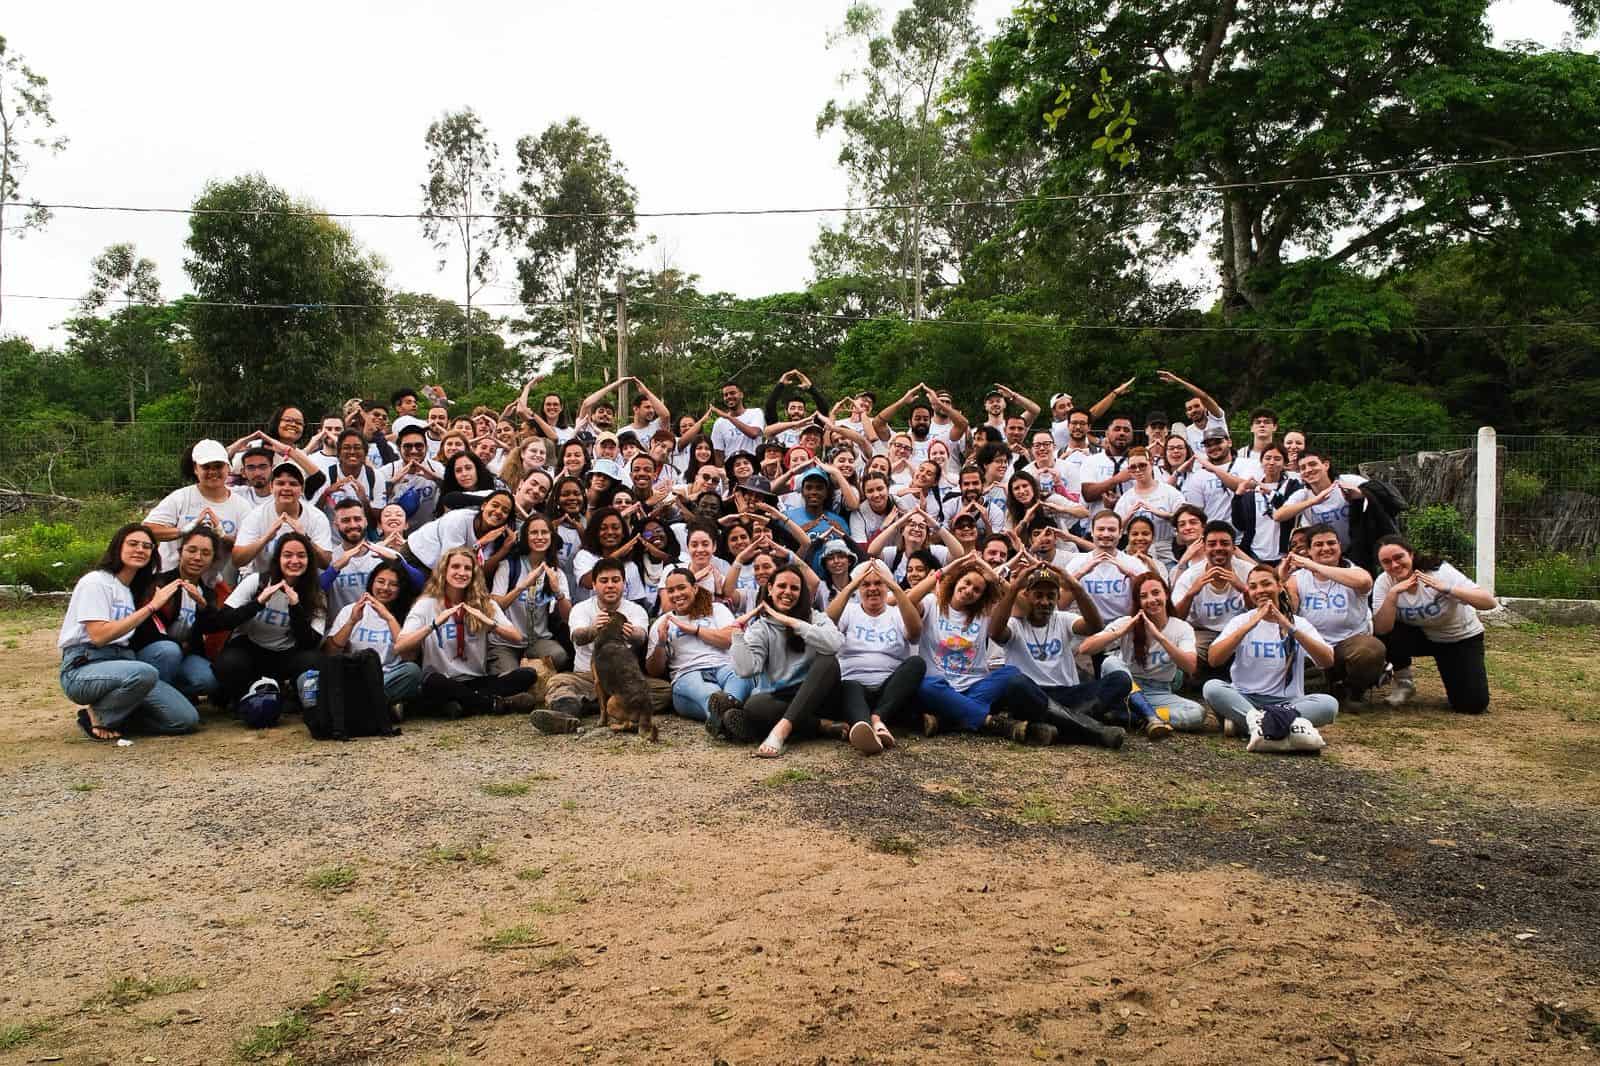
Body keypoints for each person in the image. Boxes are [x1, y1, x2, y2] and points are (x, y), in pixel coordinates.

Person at [58, 524, 200, 740]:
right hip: (85, 666)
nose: (140, 550)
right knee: (144, 672)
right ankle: (98, 715)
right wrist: (152, 606)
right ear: (117, 547)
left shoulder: (130, 588)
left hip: (124, 660)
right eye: (132, 544)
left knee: (185, 719)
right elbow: (99, 636)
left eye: (147, 546)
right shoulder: (96, 582)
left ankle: (121, 716)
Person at [906, 554, 1057, 743]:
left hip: (975, 686)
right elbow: (909, 600)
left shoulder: (985, 612)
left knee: (1010, 673)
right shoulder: (931, 604)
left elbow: (1025, 609)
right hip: (940, 686)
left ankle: (948, 719)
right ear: (955, 581)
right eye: (966, 582)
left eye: (977, 590)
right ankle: (994, 723)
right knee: (924, 686)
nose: (969, 590)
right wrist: (945, 570)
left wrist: (996, 579)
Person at [988, 562, 1130, 746]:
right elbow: (995, 633)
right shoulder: (1015, 624)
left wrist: (1076, 587)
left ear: (1057, 598)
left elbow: (1094, 626)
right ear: (1026, 596)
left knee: (1121, 679)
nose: (1045, 602)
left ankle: (1059, 725)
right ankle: (1095, 730)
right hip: (1034, 694)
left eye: (1051, 596)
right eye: (1038, 595)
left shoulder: (1062, 619)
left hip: (1068, 693)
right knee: (1015, 683)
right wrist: (1014, 587)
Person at [532, 557, 672, 734]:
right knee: (558, 682)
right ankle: (565, 716)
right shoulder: (581, 609)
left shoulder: (636, 610)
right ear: (594, 585)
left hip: (623, 681)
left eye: (616, 580)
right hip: (586, 676)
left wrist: (631, 633)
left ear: (624, 583)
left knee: (665, 690)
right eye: (604, 581)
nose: (610, 585)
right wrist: (594, 629)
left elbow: (641, 637)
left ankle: (591, 705)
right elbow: (577, 637)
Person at [395, 547, 539, 717]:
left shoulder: (484, 604)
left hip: (476, 680)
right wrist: (433, 625)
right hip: (443, 680)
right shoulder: (426, 604)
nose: (461, 572)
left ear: (474, 574)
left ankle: (460, 704)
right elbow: (400, 646)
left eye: (467, 568)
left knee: (527, 675)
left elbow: (516, 637)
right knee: (433, 682)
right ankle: (492, 704)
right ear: (444, 571)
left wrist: (491, 624)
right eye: (455, 567)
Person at [1202, 564, 1340, 737]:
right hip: (1245, 698)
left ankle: (1251, 724)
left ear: (1279, 586)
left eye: (1266, 584)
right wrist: (1251, 624)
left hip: (1287, 703)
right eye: (1253, 587)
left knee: (1329, 704)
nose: (1260, 590)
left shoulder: (1299, 623)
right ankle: (1278, 726)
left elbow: (1327, 660)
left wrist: (1290, 628)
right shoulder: (1240, 621)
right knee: (1212, 687)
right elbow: (1214, 659)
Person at [725, 563, 847, 756]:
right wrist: (738, 635)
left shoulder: (815, 617)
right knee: (754, 706)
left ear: (801, 593)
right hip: (782, 698)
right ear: (770, 589)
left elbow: (834, 644)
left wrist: (792, 623)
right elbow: (746, 670)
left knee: (828, 660)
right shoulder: (760, 628)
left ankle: (780, 731)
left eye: (794, 588)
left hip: (819, 695)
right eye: (782, 586)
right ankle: (820, 726)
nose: (787, 592)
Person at [1372, 534, 1497, 713]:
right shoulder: (1384, 582)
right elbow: (1381, 629)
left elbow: (1489, 602)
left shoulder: (1439, 572)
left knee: (1472, 705)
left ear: (1411, 554)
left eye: (1399, 557)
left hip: (1458, 637)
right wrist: (1393, 595)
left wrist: (1448, 589)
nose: (1394, 565)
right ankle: (1404, 683)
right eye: (1386, 562)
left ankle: (1458, 678)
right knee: (1381, 631)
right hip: (1422, 636)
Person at [1083, 571, 1213, 736]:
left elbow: (1189, 666)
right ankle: (1150, 717)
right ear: (1139, 601)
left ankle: (1132, 716)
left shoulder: (1181, 628)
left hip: (1158, 691)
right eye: (1144, 596)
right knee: (1110, 663)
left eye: (1156, 593)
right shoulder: (1126, 622)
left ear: (1166, 594)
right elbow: (1085, 648)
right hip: (1126, 688)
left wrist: (1161, 638)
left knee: (1197, 713)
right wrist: (1118, 634)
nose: (1151, 600)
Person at [211, 533, 328, 710]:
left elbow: (310, 642)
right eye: (287, 555)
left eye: (301, 556)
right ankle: (241, 696)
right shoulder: (256, 581)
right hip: (250, 648)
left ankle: (291, 695)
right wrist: (258, 603)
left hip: (286, 653)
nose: (294, 561)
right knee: (228, 664)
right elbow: (223, 621)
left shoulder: (316, 594)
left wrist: (295, 607)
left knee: (314, 660)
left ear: (309, 560)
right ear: (278, 558)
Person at [1285, 524, 1385, 705]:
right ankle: (1328, 686)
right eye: (1318, 545)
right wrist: (1281, 579)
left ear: (1340, 546)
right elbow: (1289, 609)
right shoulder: (1298, 578)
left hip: (1348, 644)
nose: (1326, 548)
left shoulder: (1353, 571)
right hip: (1313, 647)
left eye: (1331, 543)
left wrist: (1313, 565)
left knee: (1371, 650)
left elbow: (1364, 581)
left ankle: (1354, 690)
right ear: (1308, 550)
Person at [645, 565, 752, 723]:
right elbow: (654, 671)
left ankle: (722, 720)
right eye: (671, 591)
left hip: (726, 667)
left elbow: (730, 639)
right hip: (688, 675)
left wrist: (695, 630)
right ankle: (731, 717)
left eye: (681, 588)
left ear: (694, 588)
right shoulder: (662, 622)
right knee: (710, 693)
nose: (677, 594)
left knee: (740, 677)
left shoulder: (716, 609)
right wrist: (660, 644)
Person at [131, 525, 225, 705]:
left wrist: (203, 606)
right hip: (155, 651)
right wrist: (179, 645)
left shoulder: (207, 592)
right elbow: (145, 629)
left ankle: (173, 692)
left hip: (185, 654)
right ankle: (150, 697)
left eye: (206, 553)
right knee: (169, 651)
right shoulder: (160, 583)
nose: (197, 557)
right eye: (192, 550)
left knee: (208, 680)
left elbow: (212, 625)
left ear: (213, 559)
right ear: (181, 552)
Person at [321, 560, 423, 712]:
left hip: (386, 679)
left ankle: (355, 707)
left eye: (393, 584)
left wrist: (389, 618)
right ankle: (380, 708)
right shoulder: (350, 610)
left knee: (412, 671)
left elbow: (409, 656)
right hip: (352, 677)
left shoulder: (408, 615)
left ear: (401, 588)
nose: (385, 588)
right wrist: (351, 621)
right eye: (380, 581)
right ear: (371, 582)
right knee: (308, 679)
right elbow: (330, 653)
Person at [144, 439, 253, 579]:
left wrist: (223, 536)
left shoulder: (241, 506)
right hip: (167, 578)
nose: (213, 472)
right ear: (196, 469)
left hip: (209, 584)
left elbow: (247, 549)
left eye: (218, 466)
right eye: (206, 467)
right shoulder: (181, 498)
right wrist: (182, 531)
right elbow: (147, 529)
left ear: (228, 467)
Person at [489, 515, 573, 674]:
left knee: (560, 656)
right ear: (525, 537)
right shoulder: (509, 566)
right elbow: (495, 607)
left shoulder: (556, 572)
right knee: (511, 679)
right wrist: (521, 587)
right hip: (506, 642)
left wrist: (558, 592)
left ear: (551, 536)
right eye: (534, 533)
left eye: (544, 532)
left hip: (537, 640)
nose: (540, 537)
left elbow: (568, 616)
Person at [1171, 521, 1256, 673]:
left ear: (1233, 547)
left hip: (1242, 630)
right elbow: (1175, 619)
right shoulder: (1190, 577)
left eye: (1224, 543)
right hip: (1204, 632)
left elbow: (1263, 610)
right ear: (1204, 547)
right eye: (1212, 544)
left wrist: (1244, 590)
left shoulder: (1248, 571)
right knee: (1185, 655)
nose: (1218, 548)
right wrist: (1191, 594)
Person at [232, 461, 335, 575]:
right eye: (280, 483)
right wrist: (266, 538)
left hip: (303, 581)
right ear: (271, 487)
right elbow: (238, 560)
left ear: (302, 489)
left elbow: (325, 562)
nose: (286, 488)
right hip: (265, 581)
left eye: (293, 484)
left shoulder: (316, 517)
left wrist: (305, 538)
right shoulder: (256, 516)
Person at [1065, 511, 1153, 626]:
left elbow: (1151, 597)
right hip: (1089, 628)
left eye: (1111, 530)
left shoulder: (1133, 563)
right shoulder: (1078, 562)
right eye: (1101, 529)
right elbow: (1060, 603)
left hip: (1125, 627)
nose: (1106, 534)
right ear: (1092, 532)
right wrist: (1081, 573)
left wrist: (1130, 574)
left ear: (1120, 533)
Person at [405, 490, 516, 576]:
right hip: (414, 557)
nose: (498, 512)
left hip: (440, 571)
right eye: (495, 505)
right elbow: (451, 560)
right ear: (483, 506)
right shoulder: (458, 519)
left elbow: (481, 572)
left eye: (505, 511)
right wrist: (480, 543)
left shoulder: (496, 535)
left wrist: (504, 549)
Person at [1113, 446, 1186, 564]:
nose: (1138, 470)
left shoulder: (1170, 492)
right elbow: (1114, 529)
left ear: (1151, 462)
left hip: (1165, 553)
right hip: (1135, 554)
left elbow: (1184, 520)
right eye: (1133, 467)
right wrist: (1128, 516)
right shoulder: (1126, 498)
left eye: (1142, 465)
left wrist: (1162, 514)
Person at [1232, 442, 1301, 562]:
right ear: (1261, 461)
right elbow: (1240, 524)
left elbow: (1289, 513)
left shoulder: (1292, 486)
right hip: (1254, 553)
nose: (1271, 462)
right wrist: (1237, 497)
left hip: (1284, 555)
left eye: (1277, 459)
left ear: (1285, 463)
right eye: (1267, 458)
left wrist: (1271, 493)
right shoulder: (1252, 490)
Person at [1158, 369, 1227, 453]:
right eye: (1189, 409)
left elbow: (1204, 397)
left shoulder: (1217, 419)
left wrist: (1177, 381)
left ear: (1205, 407)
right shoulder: (1187, 432)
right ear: (1187, 414)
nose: (1194, 410)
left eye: (1197, 406)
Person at [711, 381, 767, 459]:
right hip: (731, 467)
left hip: (754, 466)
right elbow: (718, 452)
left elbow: (753, 433)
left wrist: (729, 417)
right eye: (725, 395)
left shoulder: (755, 413)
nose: (729, 397)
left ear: (741, 395)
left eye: (732, 393)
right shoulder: (719, 423)